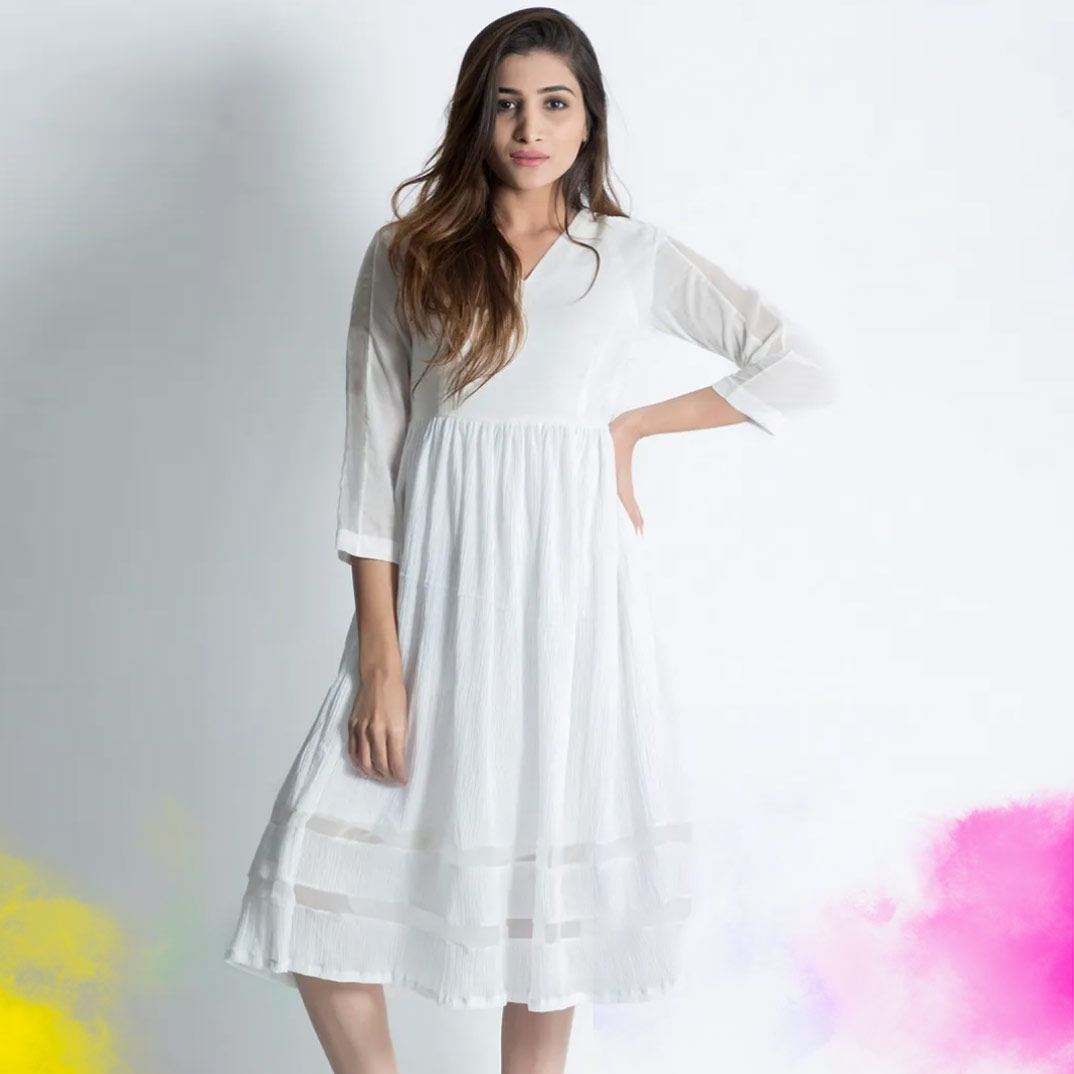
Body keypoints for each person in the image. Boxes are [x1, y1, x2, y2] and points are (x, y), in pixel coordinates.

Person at [224, 8, 837, 1073]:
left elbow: (799, 365)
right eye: (507, 104)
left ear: (589, 120)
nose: (530, 127)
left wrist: (635, 426)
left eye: (556, 103)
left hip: (571, 619)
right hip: (432, 616)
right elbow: (371, 471)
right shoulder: (409, 256)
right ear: (476, 116)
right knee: (311, 886)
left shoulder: (629, 257)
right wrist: (381, 660)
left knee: (547, 913)